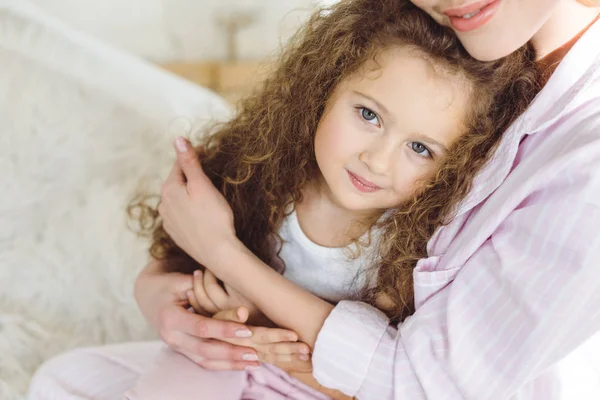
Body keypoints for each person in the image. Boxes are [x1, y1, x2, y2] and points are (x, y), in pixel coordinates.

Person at [29, 0, 600, 398]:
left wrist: (228, 261)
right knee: (63, 380)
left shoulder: (571, 162)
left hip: (323, 380)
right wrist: (166, 299)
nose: (378, 161)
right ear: (323, 90)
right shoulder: (422, 41)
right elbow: (190, 247)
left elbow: (410, 377)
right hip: (242, 363)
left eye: (421, 149)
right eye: (368, 116)